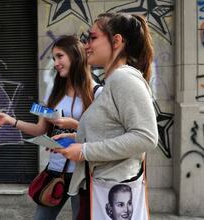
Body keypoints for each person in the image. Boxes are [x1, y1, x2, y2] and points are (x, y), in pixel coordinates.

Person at [53, 12, 158, 219]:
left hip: (108, 194)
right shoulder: (113, 82)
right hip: (97, 189)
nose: (86, 46)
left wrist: (84, 150)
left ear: (116, 41)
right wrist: (76, 139)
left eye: (92, 38)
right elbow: (113, 130)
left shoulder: (123, 79)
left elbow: (146, 137)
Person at [0, 35, 101, 220]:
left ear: (75, 56)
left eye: (60, 56)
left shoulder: (97, 93)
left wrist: (74, 125)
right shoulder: (54, 92)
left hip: (83, 174)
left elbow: (101, 135)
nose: (56, 63)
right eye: (53, 58)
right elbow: (39, 129)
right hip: (55, 170)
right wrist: (11, 120)